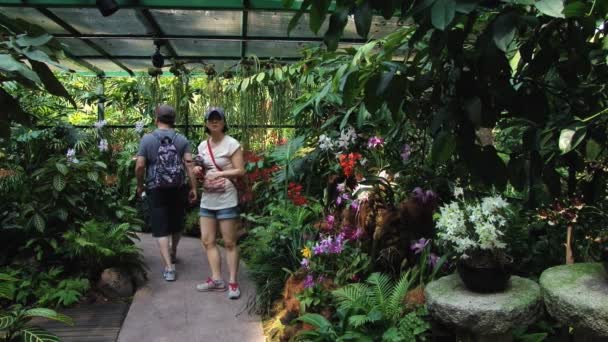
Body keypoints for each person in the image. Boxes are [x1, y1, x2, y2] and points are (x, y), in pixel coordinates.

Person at [135, 104, 197, 282]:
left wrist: (140, 186)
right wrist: (193, 188)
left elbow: (139, 166)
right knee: (176, 221)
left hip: (156, 187)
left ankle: (169, 268)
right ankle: (174, 251)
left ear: (156, 119)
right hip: (178, 187)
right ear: (173, 121)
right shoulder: (182, 139)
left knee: (161, 226)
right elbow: (189, 165)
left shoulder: (147, 139)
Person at [193, 107, 245, 299]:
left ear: (223, 122)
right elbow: (201, 167)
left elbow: (240, 170)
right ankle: (216, 279)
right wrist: (199, 170)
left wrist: (221, 173)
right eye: (210, 119)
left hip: (227, 198)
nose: (214, 122)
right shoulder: (202, 146)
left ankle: (232, 282)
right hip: (208, 198)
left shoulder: (232, 144)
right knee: (207, 240)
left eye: (218, 119)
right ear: (206, 123)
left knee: (230, 242)